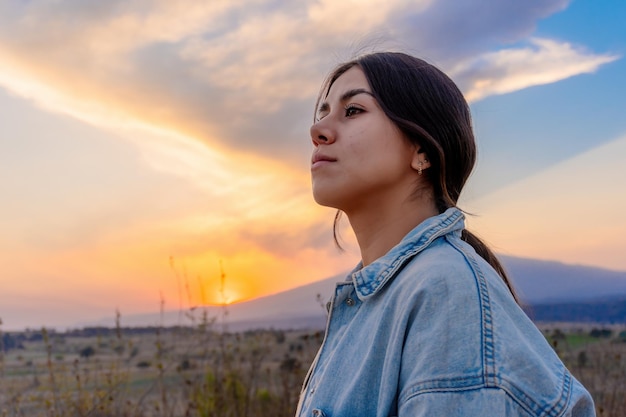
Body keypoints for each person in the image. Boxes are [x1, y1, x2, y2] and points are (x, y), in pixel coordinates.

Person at [296, 52, 595, 417]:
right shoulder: (371, 299)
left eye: (353, 110)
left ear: (422, 149)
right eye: (322, 113)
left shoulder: (445, 291)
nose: (318, 130)